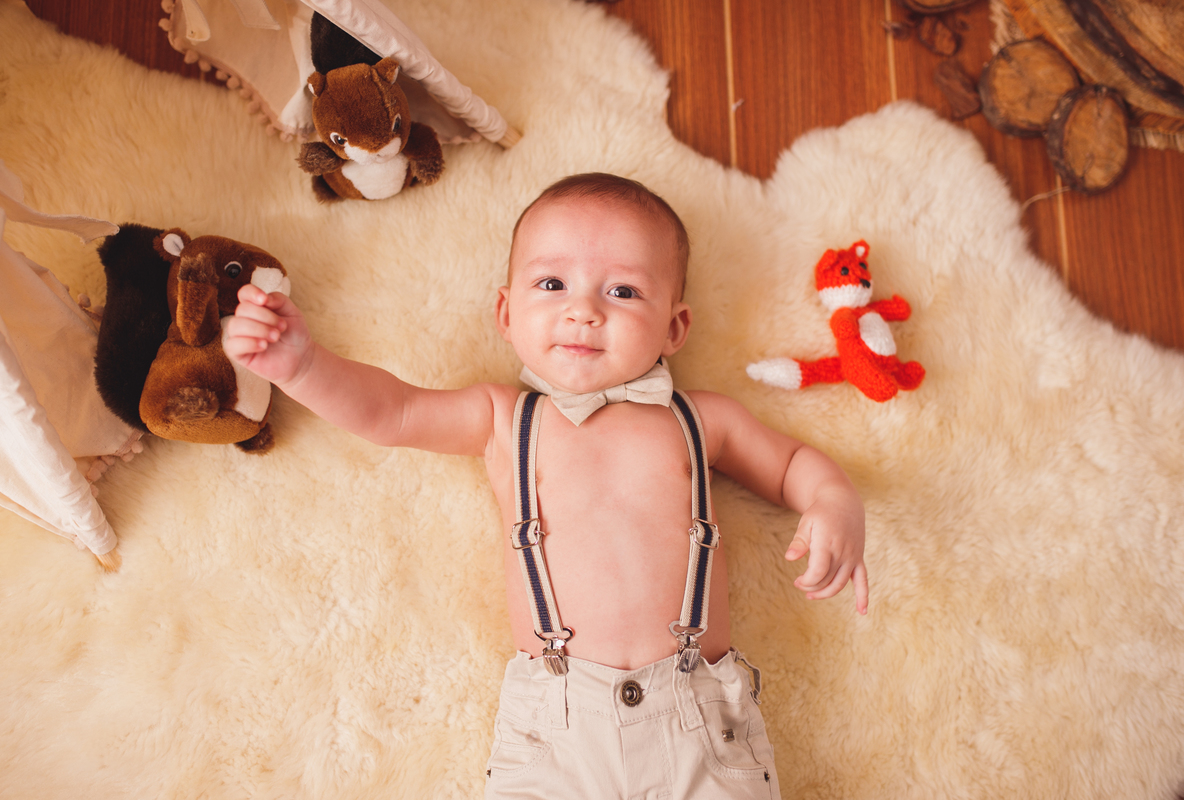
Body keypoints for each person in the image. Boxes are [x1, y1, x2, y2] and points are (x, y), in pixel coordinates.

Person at [225, 173, 867, 799]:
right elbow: (393, 412)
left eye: (622, 292)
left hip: (698, 719)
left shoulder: (702, 419)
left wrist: (832, 498)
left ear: (674, 327)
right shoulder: (505, 418)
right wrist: (303, 366)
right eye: (553, 283)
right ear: (506, 312)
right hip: (557, 732)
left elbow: (789, 465)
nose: (583, 310)